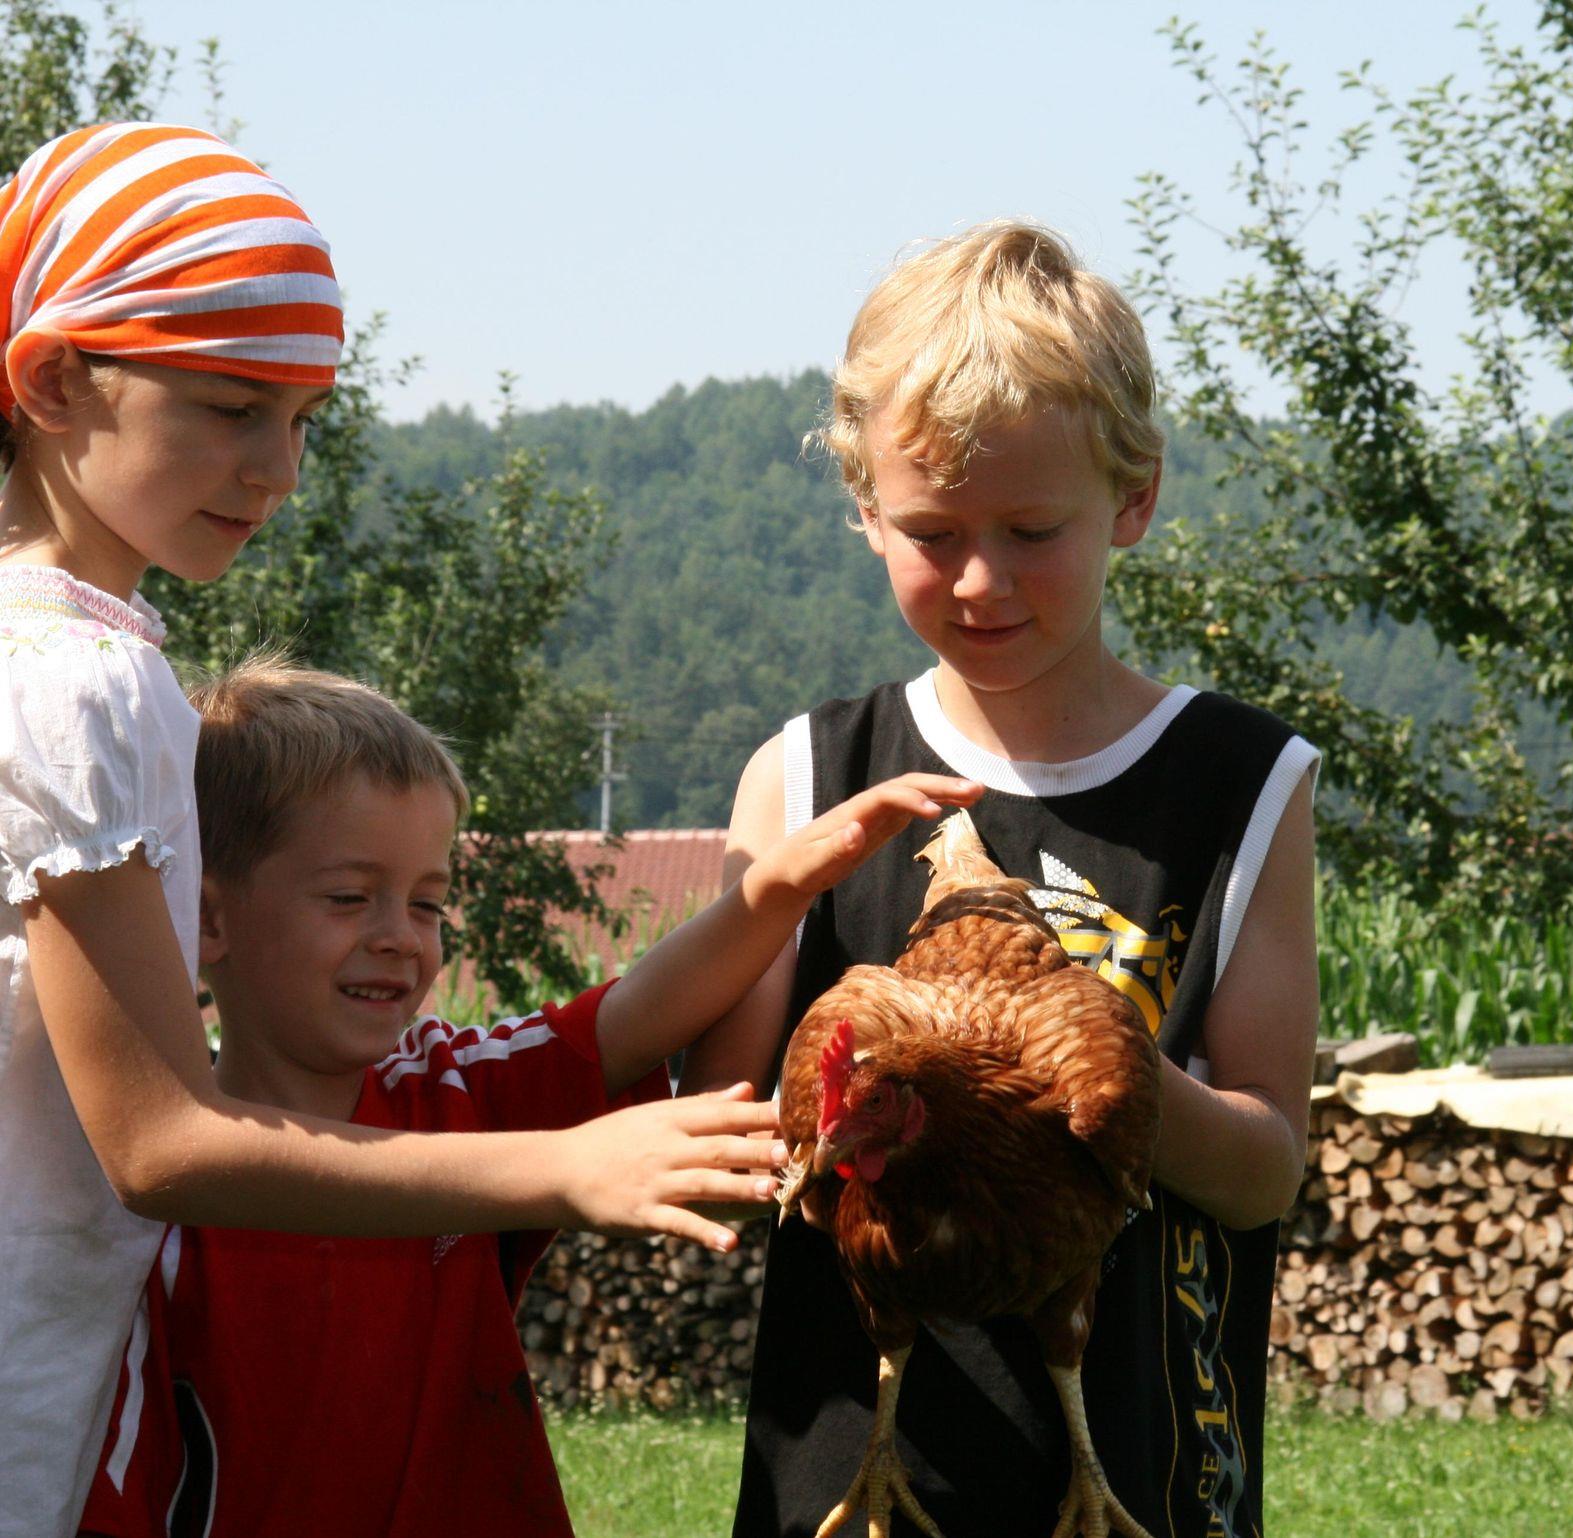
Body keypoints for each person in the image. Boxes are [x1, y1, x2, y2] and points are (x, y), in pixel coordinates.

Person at [4, 121, 755, 1533]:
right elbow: (159, 1141)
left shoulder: (88, 661)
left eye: (303, 419)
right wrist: (560, 1164)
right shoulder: (73, 682)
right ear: (50, 378)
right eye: (233, 406)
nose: (277, 468)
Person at [682, 221, 1321, 1538]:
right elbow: (722, 1134)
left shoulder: (1240, 781)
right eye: (932, 530)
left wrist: (1101, 1066)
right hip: (848, 1488)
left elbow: (1264, 1169)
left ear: (1133, 500)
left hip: (1143, 1474)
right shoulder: (805, 777)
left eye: (1032, 528)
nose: (981, 579)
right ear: (865, 509)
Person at [75, 657, 979, 1535]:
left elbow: (634, 1016)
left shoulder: (458, 1085)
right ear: (206, 918)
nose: (400, 937)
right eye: (350, 897)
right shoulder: (154, 1204)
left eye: (428, 904)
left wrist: (780, 887)